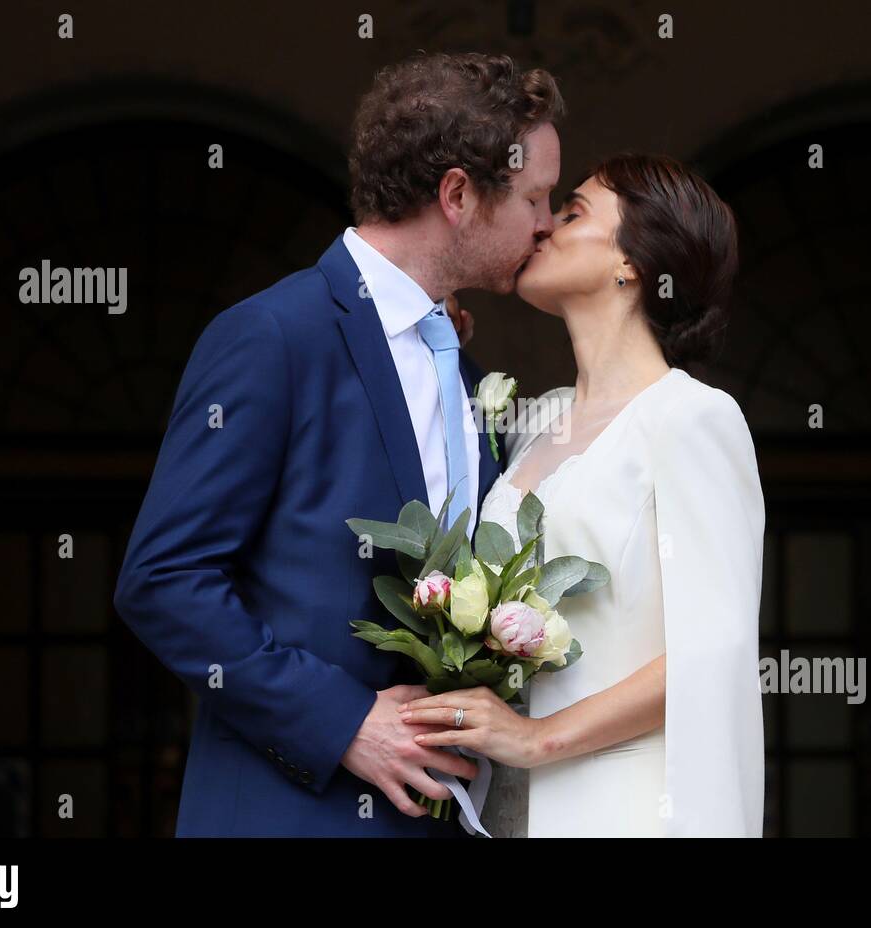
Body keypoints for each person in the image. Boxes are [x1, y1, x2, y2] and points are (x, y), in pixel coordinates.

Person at [112, 52, 565, 836]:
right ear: (457, 194)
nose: (548, 222)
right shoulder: (273, 337)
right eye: (535, 197)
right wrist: (344, 722)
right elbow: (163, 578)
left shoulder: (464, 368)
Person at [399, 153, 767, 837]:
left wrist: (535, 739)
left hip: (623, 805)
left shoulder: (690, 418)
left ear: (634, 263)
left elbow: (713, 651)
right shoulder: (536, 424)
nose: (543, 229)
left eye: (571, 213)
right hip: (507, 810)